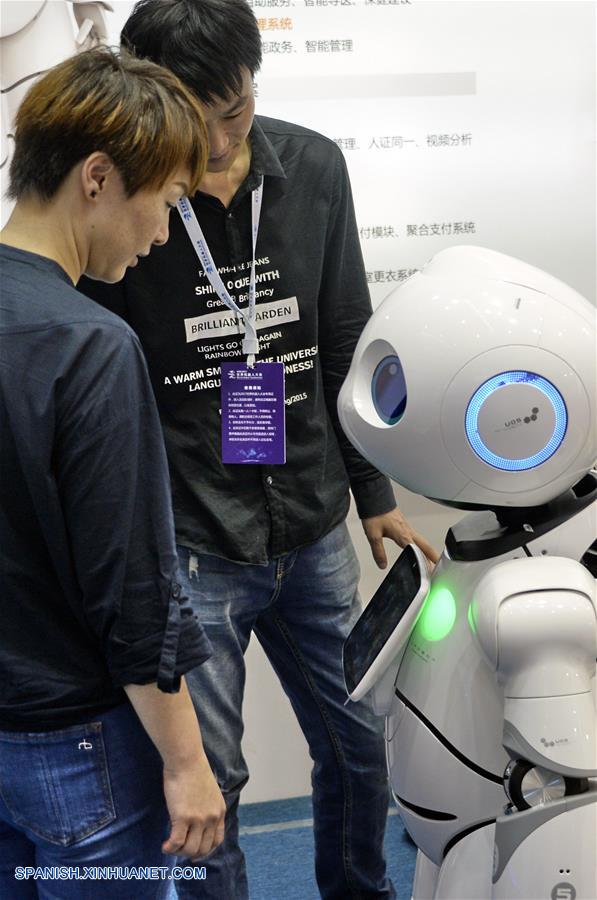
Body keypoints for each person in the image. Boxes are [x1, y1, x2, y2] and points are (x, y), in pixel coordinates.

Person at [80, 3, 440, 898]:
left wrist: (374, 492)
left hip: (313, 521)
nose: (211, 141)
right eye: (186, 117)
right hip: (190, 541)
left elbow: (347, 330)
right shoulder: (124, 195)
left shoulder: (312, 166)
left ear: (254, 81)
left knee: (360, 744)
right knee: (215, 785)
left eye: (232, 111)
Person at [0, 47, 227, 900]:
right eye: (164, 203)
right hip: (79, 748)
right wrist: (187, 763)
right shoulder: (88, 343)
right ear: (97, 177)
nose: (163, 235)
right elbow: (131, 590)